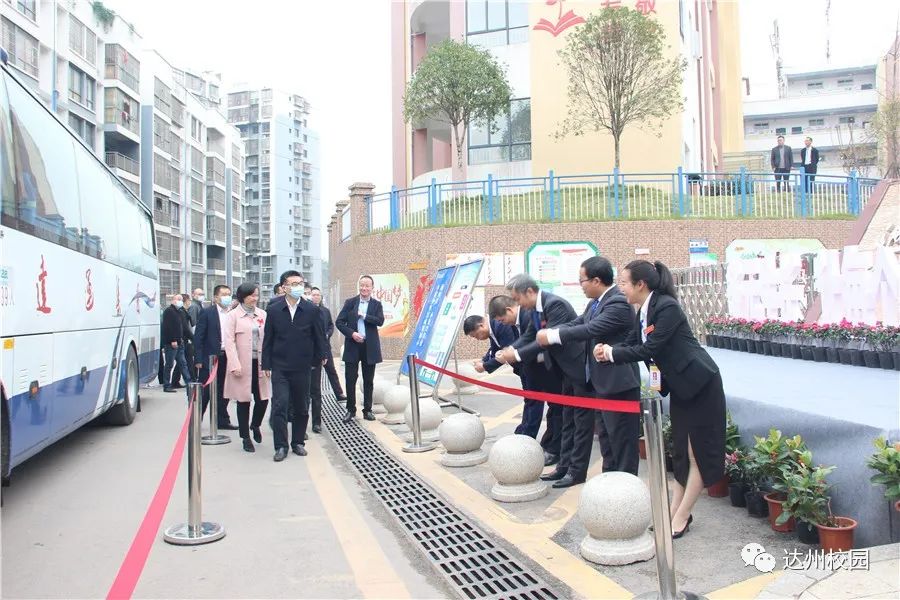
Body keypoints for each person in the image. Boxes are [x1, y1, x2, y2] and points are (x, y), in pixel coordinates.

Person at [594, 260, 726, 539]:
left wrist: (613, 354)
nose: (622, 288)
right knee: (681, 452)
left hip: (700, 385)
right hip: (680, 388)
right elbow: (632, 341)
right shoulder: (643, 310)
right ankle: (676, 511)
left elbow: (650, 348)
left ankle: (681, 515)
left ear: (640, 285)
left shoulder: (666, 307)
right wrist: (607, 350)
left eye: (625, 283)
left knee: (696, 452)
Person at [536, 256, 640, 487]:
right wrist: (553, 332)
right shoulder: (596, 302)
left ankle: (626, 492)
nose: (580, 285)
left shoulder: (617, 303)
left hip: (618, 384)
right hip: (600, 383)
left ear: (595, 280)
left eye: (581, 280)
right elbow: (578, 322)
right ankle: (609, 487)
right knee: (607, 440)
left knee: (621, 442)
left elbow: (591, 328)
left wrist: (552, 336)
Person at [496, 274, 582, 467]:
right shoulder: (536, 308)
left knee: (568, 415)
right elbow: (529, 336)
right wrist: (512, 349)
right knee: (559, 412)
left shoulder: (555, 305)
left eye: (518, 299)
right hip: (558, 369)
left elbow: (545, 341)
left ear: (529, 292)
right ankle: (560, 456)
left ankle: (563, 458)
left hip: (572, 368)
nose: (518, 304)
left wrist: (517, 355)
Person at [262, 270, 329, 462]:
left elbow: (319, 335)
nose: (298, 286)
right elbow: (268, 339)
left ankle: (298, 442)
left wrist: (322, 355)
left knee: (301, 406)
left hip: (303, 365)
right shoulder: (274, 310)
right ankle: (281, 446)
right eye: (293, 283)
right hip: (280, 365)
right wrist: (266, 363)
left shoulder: (311, 309)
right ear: (284, 287)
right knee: (280, 405)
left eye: (300, 283)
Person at [224, 283, 271, 453]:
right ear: (243, 296)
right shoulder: (233, 316)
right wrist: (234, 364)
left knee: (263, 399)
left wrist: (269, 362)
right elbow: (229, 342)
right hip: (242, 364)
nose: (255, 298)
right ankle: (245, 437)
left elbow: (268, 340)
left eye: (257, 295)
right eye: (252, 295)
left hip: (260, 363)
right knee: (243, 401)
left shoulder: (263, 314)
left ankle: (256, 424)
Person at [487, 295, 540, 438]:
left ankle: (529, 436)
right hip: (528, 368)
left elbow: (533, 342)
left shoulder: (528, 316)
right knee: (530, 400)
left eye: (502, 320)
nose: (503, 324)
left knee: (538, 402)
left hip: (541, 368)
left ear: (509, 310)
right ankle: (525, 431)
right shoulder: (515, 322)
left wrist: (513, 354)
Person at [335, 275, 384, 424]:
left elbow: (380, 321)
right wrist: (352, 334)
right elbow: (339, 322)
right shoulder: (350, 303)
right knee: (350, 379)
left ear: (372, 288)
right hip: (353, 345)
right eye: (362, 285)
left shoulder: (376, 304)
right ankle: (350, 410)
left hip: (370, 347)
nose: (364, 288)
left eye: (367, 286)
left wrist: (365, 316)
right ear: (359, 286)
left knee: (368, 380)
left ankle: (367, 410)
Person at [194, 285, 238, 430]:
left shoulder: (233, 313)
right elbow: (199, 337)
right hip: (210, 358)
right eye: (224, 294)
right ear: (215, 297)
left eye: (229, 294)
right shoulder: (207, 313)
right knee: (205, 391)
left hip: (228, 356)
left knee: (224, 390)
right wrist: (199, 359)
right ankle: (195, 420)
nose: (227, 297)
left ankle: (222, 420)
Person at [309, 287, 345, 430]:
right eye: (314, 295)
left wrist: (327, 334)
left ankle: (339, 393)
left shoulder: (325, 311)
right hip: (311, 353)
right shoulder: (306, 311)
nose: (316, 297)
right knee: (313, 387)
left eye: (318, 295)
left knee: (331, 371)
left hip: (324, 347)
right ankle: (310, 421)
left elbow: (331, 325)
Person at [162, 294, 192, 393]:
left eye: (181, 300)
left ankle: (189, 383)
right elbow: (168, 327)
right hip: (172, 343)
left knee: (183, 363)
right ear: (173, 300)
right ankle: (166, 385)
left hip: (180, 342)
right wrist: (173, 340)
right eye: (178, 299)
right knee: (169, 364)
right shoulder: (169, 311)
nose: (180, 301)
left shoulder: (179, 312)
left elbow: (182, 327)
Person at [179, 293, 195, 375]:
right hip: (185, 339)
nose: (190, 302)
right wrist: (193, 338)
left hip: (186, 339)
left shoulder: (185, 311)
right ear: (186, 301)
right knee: (186, 361)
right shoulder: (182, 312)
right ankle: (191, 378)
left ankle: (175, 380)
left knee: (183, 361)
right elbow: (185, 328)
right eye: (189, 300)